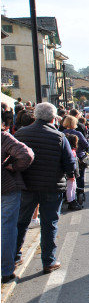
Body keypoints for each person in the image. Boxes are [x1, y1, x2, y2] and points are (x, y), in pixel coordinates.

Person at [14, 103, 76, 275]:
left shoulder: (20, 134)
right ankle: (48, 261)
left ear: (35, 116)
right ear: (52, 118)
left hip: (27, 186)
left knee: (21, 222)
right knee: (49, 224)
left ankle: (15, 256)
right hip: (51, 186)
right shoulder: (58, 137)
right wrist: (68, 174)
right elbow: (69, 163)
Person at [1, 118, 34, 283]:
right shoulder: (3, 137)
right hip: (5, 186)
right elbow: (26, 154)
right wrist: (13, 168)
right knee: (7, 227)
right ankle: (6, 270)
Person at [62, 116, 89, 205]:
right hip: (78, 157)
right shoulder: (77, 133)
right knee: (80, 176)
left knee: (68, 178)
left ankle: (68, 195)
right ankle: (80, 193)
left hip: (65, 158)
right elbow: (86, 144)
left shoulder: (61, 133)